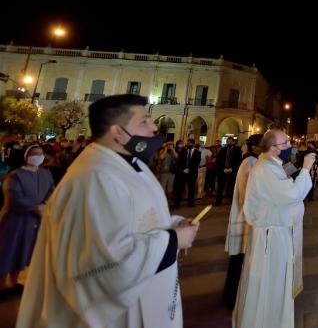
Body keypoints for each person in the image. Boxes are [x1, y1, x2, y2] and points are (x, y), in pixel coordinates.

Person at [16, 94, 200, 328]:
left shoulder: (130, 164)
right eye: (144, 121)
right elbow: (104, 262)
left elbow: (137, 217)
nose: (154, 127)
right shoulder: (95, 177)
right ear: (118, 132)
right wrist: (173, 240)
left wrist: (174, 224)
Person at [233, 129, 315, 328]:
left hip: (276, 234)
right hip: (271, 238)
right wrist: (305, 169)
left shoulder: (272, 166)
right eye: (286, 143)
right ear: (273, 148)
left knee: (277, 284)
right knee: (271, 284)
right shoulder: (264, 169)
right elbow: (292, 194)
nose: (290, 146)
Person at [0, 145, 54, 292]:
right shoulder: (15, 175)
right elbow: (14, 197)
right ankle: (2, 284)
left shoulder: (46, 174)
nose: (38, 156)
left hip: (35, 221)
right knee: (9, 251)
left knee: (22, 252)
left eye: (41, 153)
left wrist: (46, 204)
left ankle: (13, 281)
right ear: (25, 155)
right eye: (34, 153)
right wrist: (35, 208)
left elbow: (51, 191)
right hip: (16, 220)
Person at [223, 133, 262, 309]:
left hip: (248, 218)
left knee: (240, 260)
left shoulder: (253, 162)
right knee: (239, 261)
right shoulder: (250, 163)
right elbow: (249, 194)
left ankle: (233, 297)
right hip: (246, 219)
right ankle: (231, 299)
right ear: (255, 148)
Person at [173, 138, 201, 208]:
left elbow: (196, 163)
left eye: (189, 143)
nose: (188, 145)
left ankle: (190, 203)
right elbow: (180, 161)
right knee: (180, 189)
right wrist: (183, 169)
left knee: (191, 189)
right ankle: (177, 203)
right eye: (187, 143)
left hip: (192, 174)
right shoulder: (183, 151)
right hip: (182, 173)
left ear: (193, 144)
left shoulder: (197, 152)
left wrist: (189, 169)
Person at [215, 136, 242, 205]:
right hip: (223, 170)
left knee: (231, 187)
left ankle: (231, 201)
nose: (229, 143)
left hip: (232, 171)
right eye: (228, 142)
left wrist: (232, 168)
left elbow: (239, 161)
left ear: (233, 142)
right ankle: (218, 201)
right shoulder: (223, 150)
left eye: (231, 142)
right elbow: (219, 160)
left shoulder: (237, 150)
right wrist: (223, 168)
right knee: (220, 187)